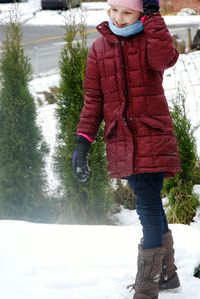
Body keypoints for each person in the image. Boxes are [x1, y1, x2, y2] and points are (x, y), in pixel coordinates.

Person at [72, 0, 181, 298]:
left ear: (142, 13)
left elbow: (165, 59)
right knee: (150, 202)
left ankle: (146, 288)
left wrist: (155, 18)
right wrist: (83, 141)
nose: (118, 18)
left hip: (151, 136)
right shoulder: (99, 49)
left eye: (128, 12)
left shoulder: (150, 38)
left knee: (146, 204)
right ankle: (168, 274)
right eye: (114, 10)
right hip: (121, 140)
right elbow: (94, 100)